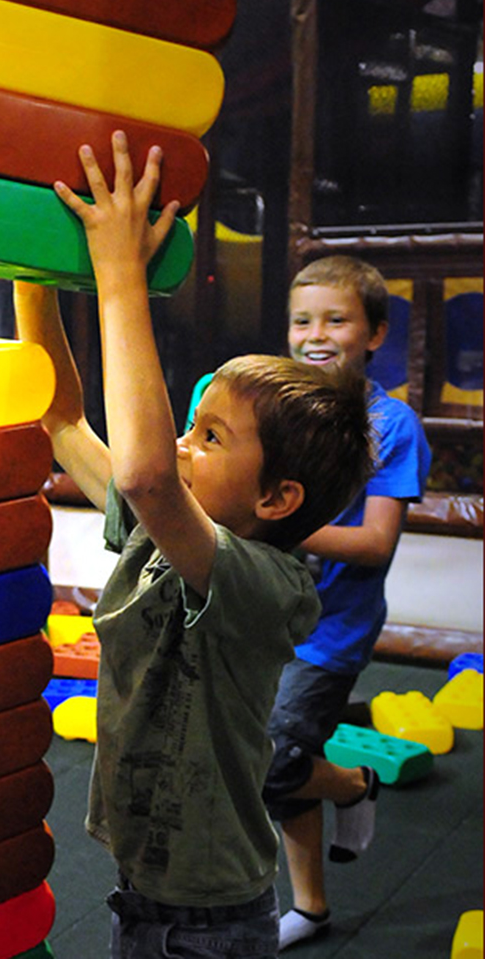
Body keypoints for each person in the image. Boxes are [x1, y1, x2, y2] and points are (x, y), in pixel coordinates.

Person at [14, 131, 375, 959]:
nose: (180, 445)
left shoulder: (266, 583)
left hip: (207, 925)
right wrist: (30, 261)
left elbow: (145, 474)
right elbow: (60, 417)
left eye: (209, 437)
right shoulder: (160, 530)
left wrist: (119, 273)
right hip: (144, 892)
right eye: (187, 426)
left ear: (274, 498)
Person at [263, 255, 432, 950]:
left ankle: (354, 785)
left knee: (274, 760)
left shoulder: (391, 424)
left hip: (330, 633)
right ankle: (310, 907)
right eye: (302, 320)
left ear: (375, 334)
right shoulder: (276, 408)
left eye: (336, 320)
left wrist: (274, 522)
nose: (315, 335)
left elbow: (374, 543)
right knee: (276, 765)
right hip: (263, 618)